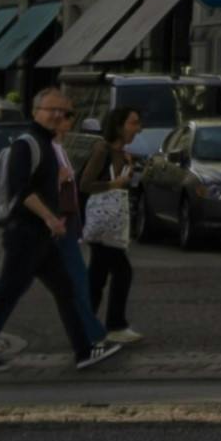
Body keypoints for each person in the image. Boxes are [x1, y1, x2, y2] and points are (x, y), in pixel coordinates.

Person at [0, 82, 122, 370]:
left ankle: (84, 351)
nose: (58, 116)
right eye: (52, 110)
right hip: (25, 234)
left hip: (42, 237)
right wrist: (49, 217)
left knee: (66, 290)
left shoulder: (47, 144)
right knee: (7, 292)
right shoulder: (27, 144)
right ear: (37, 111)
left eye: (63, 111)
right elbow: (20, 190)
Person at [81, 107, 143, 339]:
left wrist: (128, 170)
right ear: (118, 126)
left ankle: (86, 324)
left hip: (110, 225)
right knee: (121, 271)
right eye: (133, 123)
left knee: (97, 276)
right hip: (102, 224)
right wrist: (115, 184)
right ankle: (114, 325)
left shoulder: (122, 154)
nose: (138, 129)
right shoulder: (101, 149)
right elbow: (85, 184)